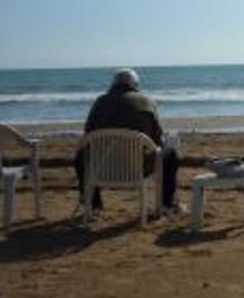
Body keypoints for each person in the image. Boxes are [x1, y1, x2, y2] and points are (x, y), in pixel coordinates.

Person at [77, 68, 183, 214]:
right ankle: (167, 204)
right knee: (170, 153)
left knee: (81, 155)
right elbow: (157, 139)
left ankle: (94, 204)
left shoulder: (100, 101)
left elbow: (88, 133)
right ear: (136, 85)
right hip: (138, 168)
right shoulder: (147, 101)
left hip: (102, 168)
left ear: (113, 84)